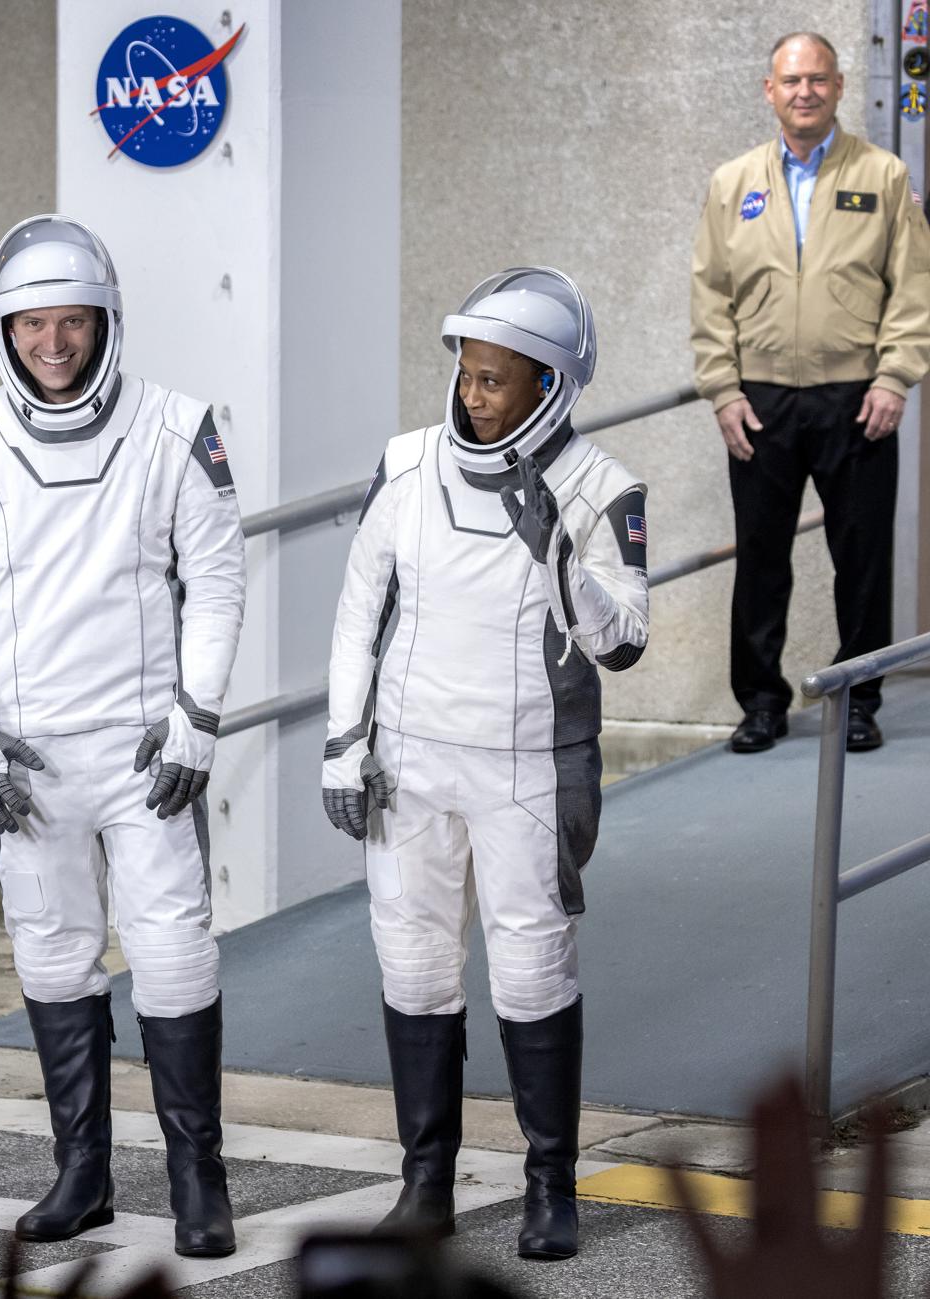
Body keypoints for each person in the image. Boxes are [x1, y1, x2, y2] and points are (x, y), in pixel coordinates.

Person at [0, 215, 247, 1258]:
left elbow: (218, 581)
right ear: (1, 330)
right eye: (32, 326)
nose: (52, 345)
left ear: (107, 324)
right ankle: (83, 1173)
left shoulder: (177, 428)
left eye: (72, 324)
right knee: (54, 957)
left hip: (148, 755)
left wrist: (195, 720)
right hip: (27, 760)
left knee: (176, 954)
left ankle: (199, 1180)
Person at [321, 268, 649, 1261]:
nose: (474, 395)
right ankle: (426, 1184)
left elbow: (625, 642)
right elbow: (358, 613)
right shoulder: (407, 462)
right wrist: (345, 745)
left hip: (528, 770)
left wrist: (561, 561)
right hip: (410, 763)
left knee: (532, 969)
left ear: (551, 386)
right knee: (414, 970)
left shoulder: (602, 486)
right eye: (467, 373)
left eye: (497, 379)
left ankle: (551, 1183)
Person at [691, 30, 930, 754]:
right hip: (759, 401)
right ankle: (760, 702)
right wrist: (722, 390)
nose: (805, 92)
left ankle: (859, 700)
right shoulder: (733, 183)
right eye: (792, 81)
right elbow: (709, 293)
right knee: (762, 556)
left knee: (860, 557)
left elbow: (912, 286)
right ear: (770, 90)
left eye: (818, 80)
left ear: (839, 87)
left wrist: (895, 377)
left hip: (857, 397)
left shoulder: (882, 175)